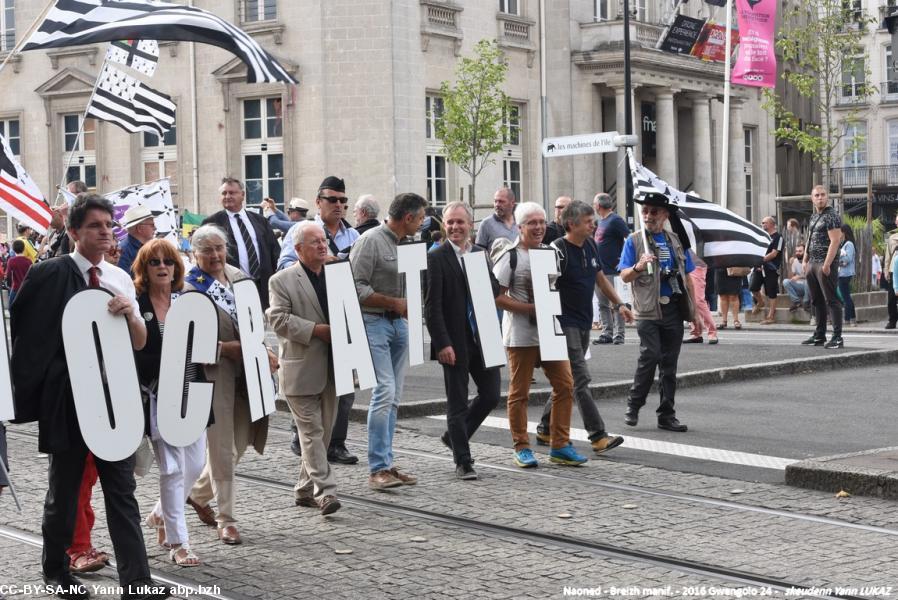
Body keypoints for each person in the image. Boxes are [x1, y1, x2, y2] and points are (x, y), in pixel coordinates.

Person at [9, 194, 169, 600]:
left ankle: (138, 583)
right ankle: (56, 571)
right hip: (68, 401)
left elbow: (141, 341)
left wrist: (130, 314)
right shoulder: (49, 274)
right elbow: (28, 333)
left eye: (108, 226)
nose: (105, 233)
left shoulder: (117, 278)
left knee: (121, 491)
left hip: (114, 399)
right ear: (75, 231)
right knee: (63, 492)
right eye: (95, 226)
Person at [184, 225, 276, 545]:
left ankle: (195, 494)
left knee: (239, 444)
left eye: (219, 248)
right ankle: (227, 518)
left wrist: (262, 351)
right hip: (212, 377)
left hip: (246, 374)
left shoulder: (238, 278)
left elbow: (254, 324)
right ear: (194, 253)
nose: (215, 255)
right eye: (207, 250)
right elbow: (184, 343)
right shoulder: (188, 288)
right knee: (221, 448)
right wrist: (225, 349)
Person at [493, 201, 587, 468]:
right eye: (532, 223)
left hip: (550, 329)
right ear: (520, 227)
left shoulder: (550, 252)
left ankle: (560, 445)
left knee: (565, 385)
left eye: (541, 222)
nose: (538, 227)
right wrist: (531, 308)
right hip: (521, 333)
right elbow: (498, 298)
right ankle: (521, 446)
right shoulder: (510, 256)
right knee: (519, 392)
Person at [535, 201, 633, 454]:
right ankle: (597, 435)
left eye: (593, 220)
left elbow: (600, 278)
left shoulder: (590, 244)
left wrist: (620, 304)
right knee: (580, 379)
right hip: (564, 323)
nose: (594, 225)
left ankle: (545, 428)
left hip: (583, 322)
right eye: (588, 221)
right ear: (572, 224)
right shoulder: (557, 250)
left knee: (565, 380)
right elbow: (543, 289)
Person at [133, 239, 207, 567]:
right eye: (155, 263)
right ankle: (179, 542)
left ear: (177, 267)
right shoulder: (137, 306)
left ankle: (159, 514)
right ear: (144, 270)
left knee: (194, 464)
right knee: (173, 470)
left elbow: (203, 346)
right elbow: (136, 354)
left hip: (192, 393)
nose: (163, 267)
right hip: (158, 396)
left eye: (169, 262)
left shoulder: (187, 302)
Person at [279, 177, 360, 465]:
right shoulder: (301, 232)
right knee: (309, 384)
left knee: (345, 388)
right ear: (318, 202)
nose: (339, 205)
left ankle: (336, 443)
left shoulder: (353, 236)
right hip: (308, 314)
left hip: (341, 317)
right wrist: (322, 259)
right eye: (332, 200)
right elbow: (286, 267)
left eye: (343, 201)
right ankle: (303, 439)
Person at [350, 192, 428, 489]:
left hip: (399, 326)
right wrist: (392, 303)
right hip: (374, 323)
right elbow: (353, 285)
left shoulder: (407, 243)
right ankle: (377, 468)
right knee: (384, 392)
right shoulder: (370, 241)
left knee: (393, 397)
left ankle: (386, 462)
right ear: (407, 218)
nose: (422, 223)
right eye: (420, 218)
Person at [268, 221, 343, 514]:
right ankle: (325, 492)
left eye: (323, 240)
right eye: (315, 242)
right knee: (311, 433)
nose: (323, 246)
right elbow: (278, 320)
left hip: (334, 368)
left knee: (322, 436)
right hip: (300, 370)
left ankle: (302, 490)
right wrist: (316, 330)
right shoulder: (281, 280)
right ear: (298, 249)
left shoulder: (337, 275)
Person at [425, 202, 502, 480]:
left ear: (471, 225)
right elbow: (431, 307)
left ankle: (456, 436)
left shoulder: (480, 254)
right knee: (456, 402)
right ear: (444, 226)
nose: (455, 227)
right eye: (450, 222)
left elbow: (494, 290)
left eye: (460, 222)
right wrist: (442, 343)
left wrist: (482, 268)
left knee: (492, 394)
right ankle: (463, 461)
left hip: (483, 336)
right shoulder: (437, 256)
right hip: (454, 340)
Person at [619, 192, 699, 433]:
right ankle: (634, 404)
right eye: (645, 211)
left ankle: (667, 414)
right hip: (647, 310)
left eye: (654, 211)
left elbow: (689, 277)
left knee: (669, 365)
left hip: (673, 308)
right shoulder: (633, 241)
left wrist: (694, 313)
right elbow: (624, 275)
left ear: (665, 215)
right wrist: (638, 266)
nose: (648, 216)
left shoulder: (675, 240)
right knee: (650, 356)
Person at [202, 177, 280, 310]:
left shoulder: (260, 221)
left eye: (232, 193)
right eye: (224, 193)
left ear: (242, 195)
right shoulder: (212, 224)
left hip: (264, 288)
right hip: (232, 288)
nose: (227, 196)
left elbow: (275, 253)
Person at [801, 185, 843, 349]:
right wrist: (805, 259)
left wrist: (827, 264)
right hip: (812, 263)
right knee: (816, 300)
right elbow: (810, 238)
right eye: (816, 195)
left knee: (831, 300)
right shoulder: (813, 217)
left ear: (827, 197)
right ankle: (819, 335)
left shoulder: (832, 216)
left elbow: (835, 241)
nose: (820, 198)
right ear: (812, 198)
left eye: (823, 195)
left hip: (824, 264)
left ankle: (838, 337)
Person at [592, 192, 630, 345]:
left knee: (617, 303)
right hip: (600, 269)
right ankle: (607, 332)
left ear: (598, 206)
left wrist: (626, 260)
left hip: (613, 270)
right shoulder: (600, 222)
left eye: (594, 204)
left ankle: (619, 334)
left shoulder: (615, 220)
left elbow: (629, 238)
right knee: (602, 304)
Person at [749, 216, 784, 325]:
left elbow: (774, 253)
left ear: (771, 224)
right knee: (753, 287)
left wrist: (761, 259)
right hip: (758, 267)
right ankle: (760, 302)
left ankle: (771, 316)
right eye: (762, 223)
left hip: (771, 268)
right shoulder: (761, 236)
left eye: (765, 223)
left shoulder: (778, 237)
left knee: (771, 293)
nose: (762, 224)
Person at [683, 249, 718, 344]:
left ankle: (712, 332)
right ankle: (696, 332)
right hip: (682, 263)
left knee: (698, 300)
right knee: (688, 299)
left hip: (696, 264)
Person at [118, 204, 157, 274]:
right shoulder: (123, 252)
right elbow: (125, 282)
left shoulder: (150, 247)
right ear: (139, 228)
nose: (155, 228)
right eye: (152, 225)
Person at [838, 224, 856, 327]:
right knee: (847, 296)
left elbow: (847, 259)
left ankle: (847, 319)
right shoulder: (843, 244)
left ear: (843, 232)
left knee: (845, 297)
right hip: (842, 273)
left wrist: (839, 262)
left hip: (845, 273)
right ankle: (852, 318)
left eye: (839, 232)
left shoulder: (849, 244)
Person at [783, 244, 810, 311]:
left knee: (808, 281)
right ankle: (796, 302)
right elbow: (790, 277)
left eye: (800, 251)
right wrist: (790, 265)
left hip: (809, 288)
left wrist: (799, 276)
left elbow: (811, 276)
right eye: (796, 251)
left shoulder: (809, 261)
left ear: (805, 252)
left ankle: (806, 302)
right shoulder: (795, 261)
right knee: (785, 281)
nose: (798, 253)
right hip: (799, 287)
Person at [883, 214, 898, 329]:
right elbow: (888, 256)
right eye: (896, 221)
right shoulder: (892, 238)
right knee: (891, 298)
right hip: (894, 270)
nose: (897, 223)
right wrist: (886, 271)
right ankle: (892, 320)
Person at [5, 240, 31, 304]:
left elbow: (8, 275)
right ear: (24, 248)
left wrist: (9, 285)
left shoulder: (11, 261)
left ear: (13, 249)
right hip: (26, 288)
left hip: (15, 288)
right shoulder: (29, 261)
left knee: (11, 306)